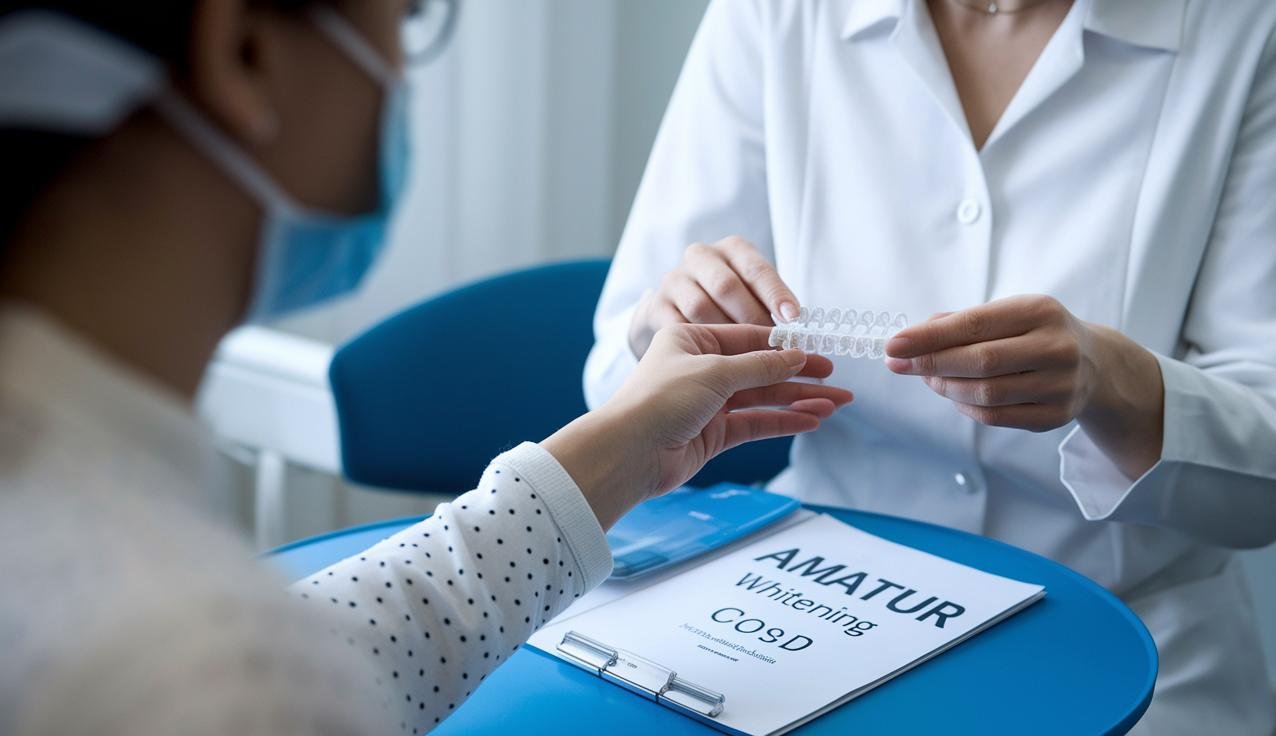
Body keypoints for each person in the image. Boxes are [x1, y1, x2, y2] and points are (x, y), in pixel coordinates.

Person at [0, 1, 855, 734]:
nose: (401, 75)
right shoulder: (200, 664)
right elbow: (239, 674)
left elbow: (321, 650)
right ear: (242, 49)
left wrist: (620, 450)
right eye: (408, 15)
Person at [585, 0, 1276, 733]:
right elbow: (619, 376)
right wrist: (665, 335)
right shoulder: (774, 14)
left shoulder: (1262, 24)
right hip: (807, 601)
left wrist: (1115, 383)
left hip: (1127, 636)